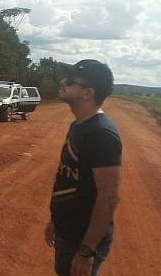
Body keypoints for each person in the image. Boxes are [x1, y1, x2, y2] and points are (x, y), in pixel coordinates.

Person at [44, 59, 122, 276]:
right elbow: (71, 180)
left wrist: (87, 251)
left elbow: (109, 197)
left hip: (81, 238)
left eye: (70, 81)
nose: (62, 82)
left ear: (87, 93)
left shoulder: (101, 134)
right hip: (68, 231)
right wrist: (56, 221)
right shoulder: (79, 126)